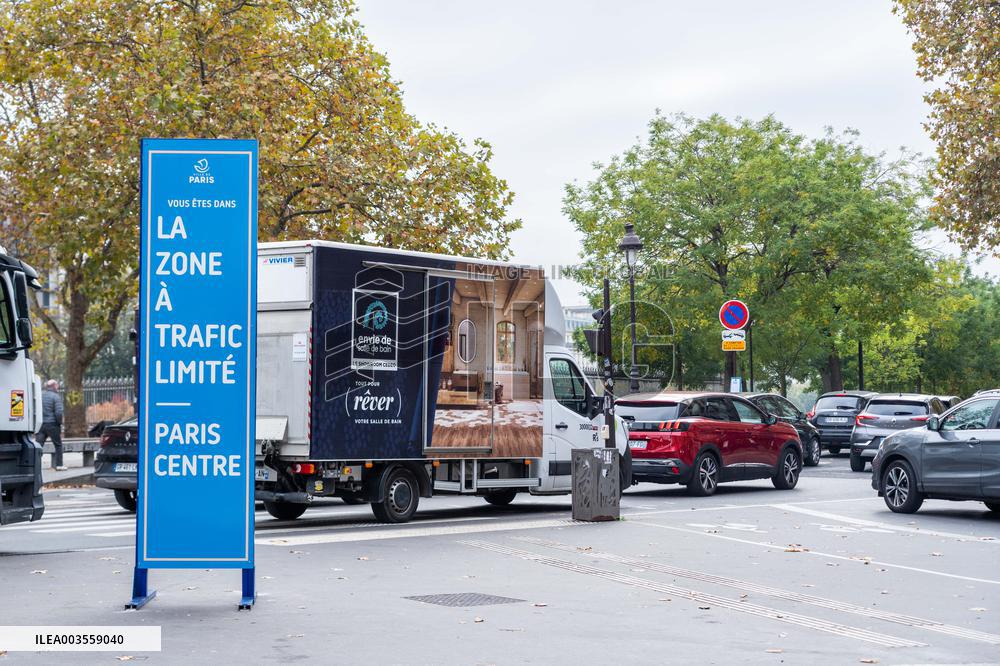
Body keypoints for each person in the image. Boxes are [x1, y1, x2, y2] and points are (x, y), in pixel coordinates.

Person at [36, 379, 65, 471]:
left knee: (39, 446)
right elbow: (58, 413)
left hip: (41, 425)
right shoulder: (56, 397)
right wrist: (59, 423)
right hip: (53, 424)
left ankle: (36, 465)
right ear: (54, 386)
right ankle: (59, 465)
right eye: (57, 385)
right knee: (58, 445)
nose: (58, 387)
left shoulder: (41, 396)